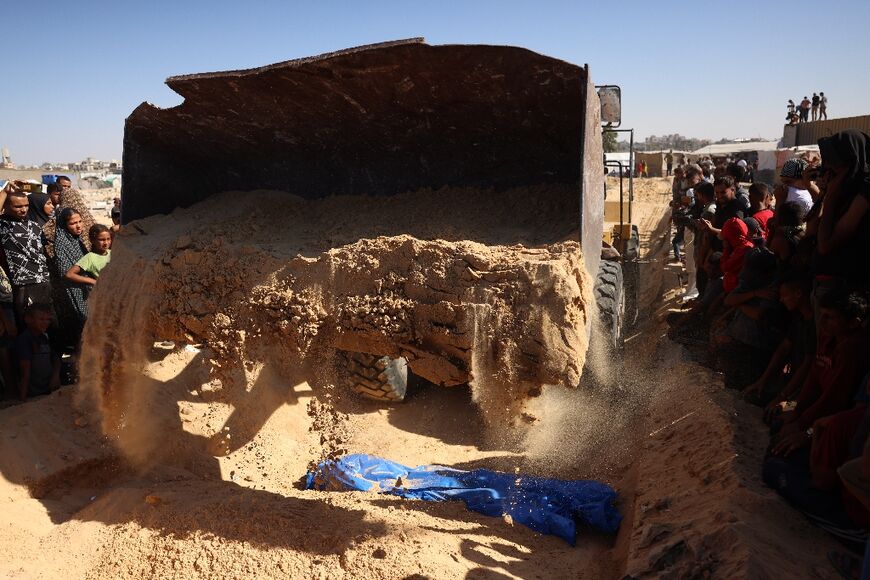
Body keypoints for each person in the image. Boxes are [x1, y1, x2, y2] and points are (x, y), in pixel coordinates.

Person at [0, 186, 53, 326]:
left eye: (26, 205)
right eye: (18, 206)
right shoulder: (4, 225)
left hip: (43, 280)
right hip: (23, 283)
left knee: (46, 322)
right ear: (6, 206)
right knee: (28, 324)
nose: (23, 210)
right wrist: (5, 192)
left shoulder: (34, 225)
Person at [51, 208, 89, 347]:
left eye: (80, 221)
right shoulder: (61, 243)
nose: (78, 226)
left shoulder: (76, 240)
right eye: (73, 223)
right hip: (74, 291)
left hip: (85, 290)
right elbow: (65, 273)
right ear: (64, 225)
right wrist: (91, 281)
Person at [14, 303, 60, 401]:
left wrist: (55, 376)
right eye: (41, 319)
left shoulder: (44, 337)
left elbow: (56, 359)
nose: (46, 322)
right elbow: (24, 373)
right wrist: (23, 400)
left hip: (48, 390)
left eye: (48, 319)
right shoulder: (25, 340)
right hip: (33, 394)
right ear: (28, 319)